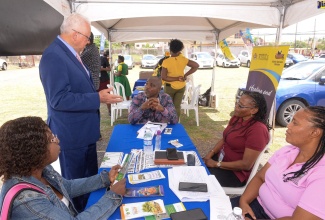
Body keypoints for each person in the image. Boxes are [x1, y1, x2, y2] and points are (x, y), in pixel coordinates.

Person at [39, 13, 123, 212]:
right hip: (71, 134)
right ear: (75, 35)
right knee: (77, 184)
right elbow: (58, 99)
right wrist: (98, 98)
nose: (88, 41)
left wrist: (97, 95)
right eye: (87, 37)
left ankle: (92, 209)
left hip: (83, 132)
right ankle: (81, 214)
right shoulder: (54, 55)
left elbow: (77, 89)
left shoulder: (69, 52)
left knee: (90, 182)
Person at [0, 116, 126, 219]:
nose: (57, 140)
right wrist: (113, 195)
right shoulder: (27, 200)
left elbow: (67, 187)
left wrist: (104, 179)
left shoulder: (41, 169)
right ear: (36, 151)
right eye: (52, 138)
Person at [231, 106, 325, 220]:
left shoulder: (321, 173)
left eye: (295, 123)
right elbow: (260, 178)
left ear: (314, 132)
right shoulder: (287, 151)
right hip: (253, 206)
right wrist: (244, 202)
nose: (288, 126)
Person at [203, 91, 270, 187]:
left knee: (199, 182)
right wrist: (210, 154)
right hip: (221, 160)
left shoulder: (258, 130)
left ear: (254, 110)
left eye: (241, 106)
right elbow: (225, 139)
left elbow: (246, 164)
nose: (236, 107)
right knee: (193, 167)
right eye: (237, 103)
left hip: (234, 173)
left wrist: (216, 164)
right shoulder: (237, 117)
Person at [161, 39, 199, 117]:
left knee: (168, 106)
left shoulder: (166, 61)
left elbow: (164, 77)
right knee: (177, 106)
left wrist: (176, 78)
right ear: (180, 49)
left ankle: (168, 122)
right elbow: (196, 65)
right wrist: (185, 75)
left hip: (169, 87)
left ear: (170, 49)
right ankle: (176, 123)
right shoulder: (183, 59)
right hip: (181, 86)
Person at [99, 50, 112, 115]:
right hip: (95, 81)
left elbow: (109, 69)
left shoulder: (103, 58)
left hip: (104, 79)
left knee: (107, 95)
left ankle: (109, 110)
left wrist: (102, 69)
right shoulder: (90, 59)